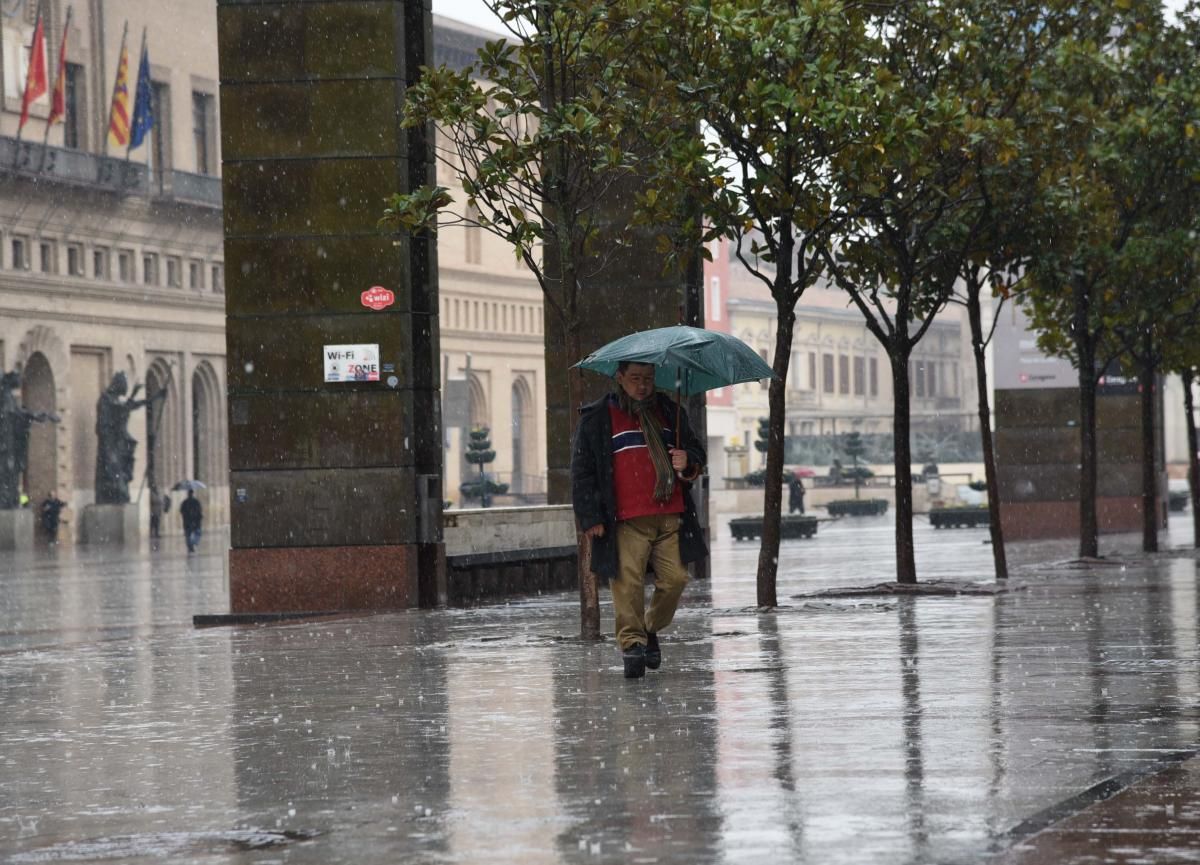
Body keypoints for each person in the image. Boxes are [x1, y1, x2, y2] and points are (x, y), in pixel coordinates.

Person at [571, 361, 707, 679]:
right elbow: (582, 472)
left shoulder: (670, 413)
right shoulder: (598, 418)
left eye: (647, 378)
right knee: (627, 583)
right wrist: (590, 517)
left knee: (676, 580)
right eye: (634, 378)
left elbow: (696, 452)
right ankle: (632, 645)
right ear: (619, 378)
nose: (642, 385)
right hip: (625, 518)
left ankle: (649, 627)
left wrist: (688, 460)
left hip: (670, 515)